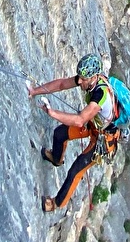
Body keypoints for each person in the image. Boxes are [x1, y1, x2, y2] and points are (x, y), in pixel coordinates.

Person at [30, 53, 119, 212]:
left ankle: (56, 204)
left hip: (103, 139)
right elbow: (62, 84)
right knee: (60, 134)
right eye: (79, 77)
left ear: (93, 77)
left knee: (75, 170)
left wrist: (52, 113)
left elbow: (79, 120)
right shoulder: (89, 80)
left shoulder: (100, 95)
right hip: (93, 125)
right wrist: (35, 91)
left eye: (83, 79)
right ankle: (56, 159)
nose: (79, 81)